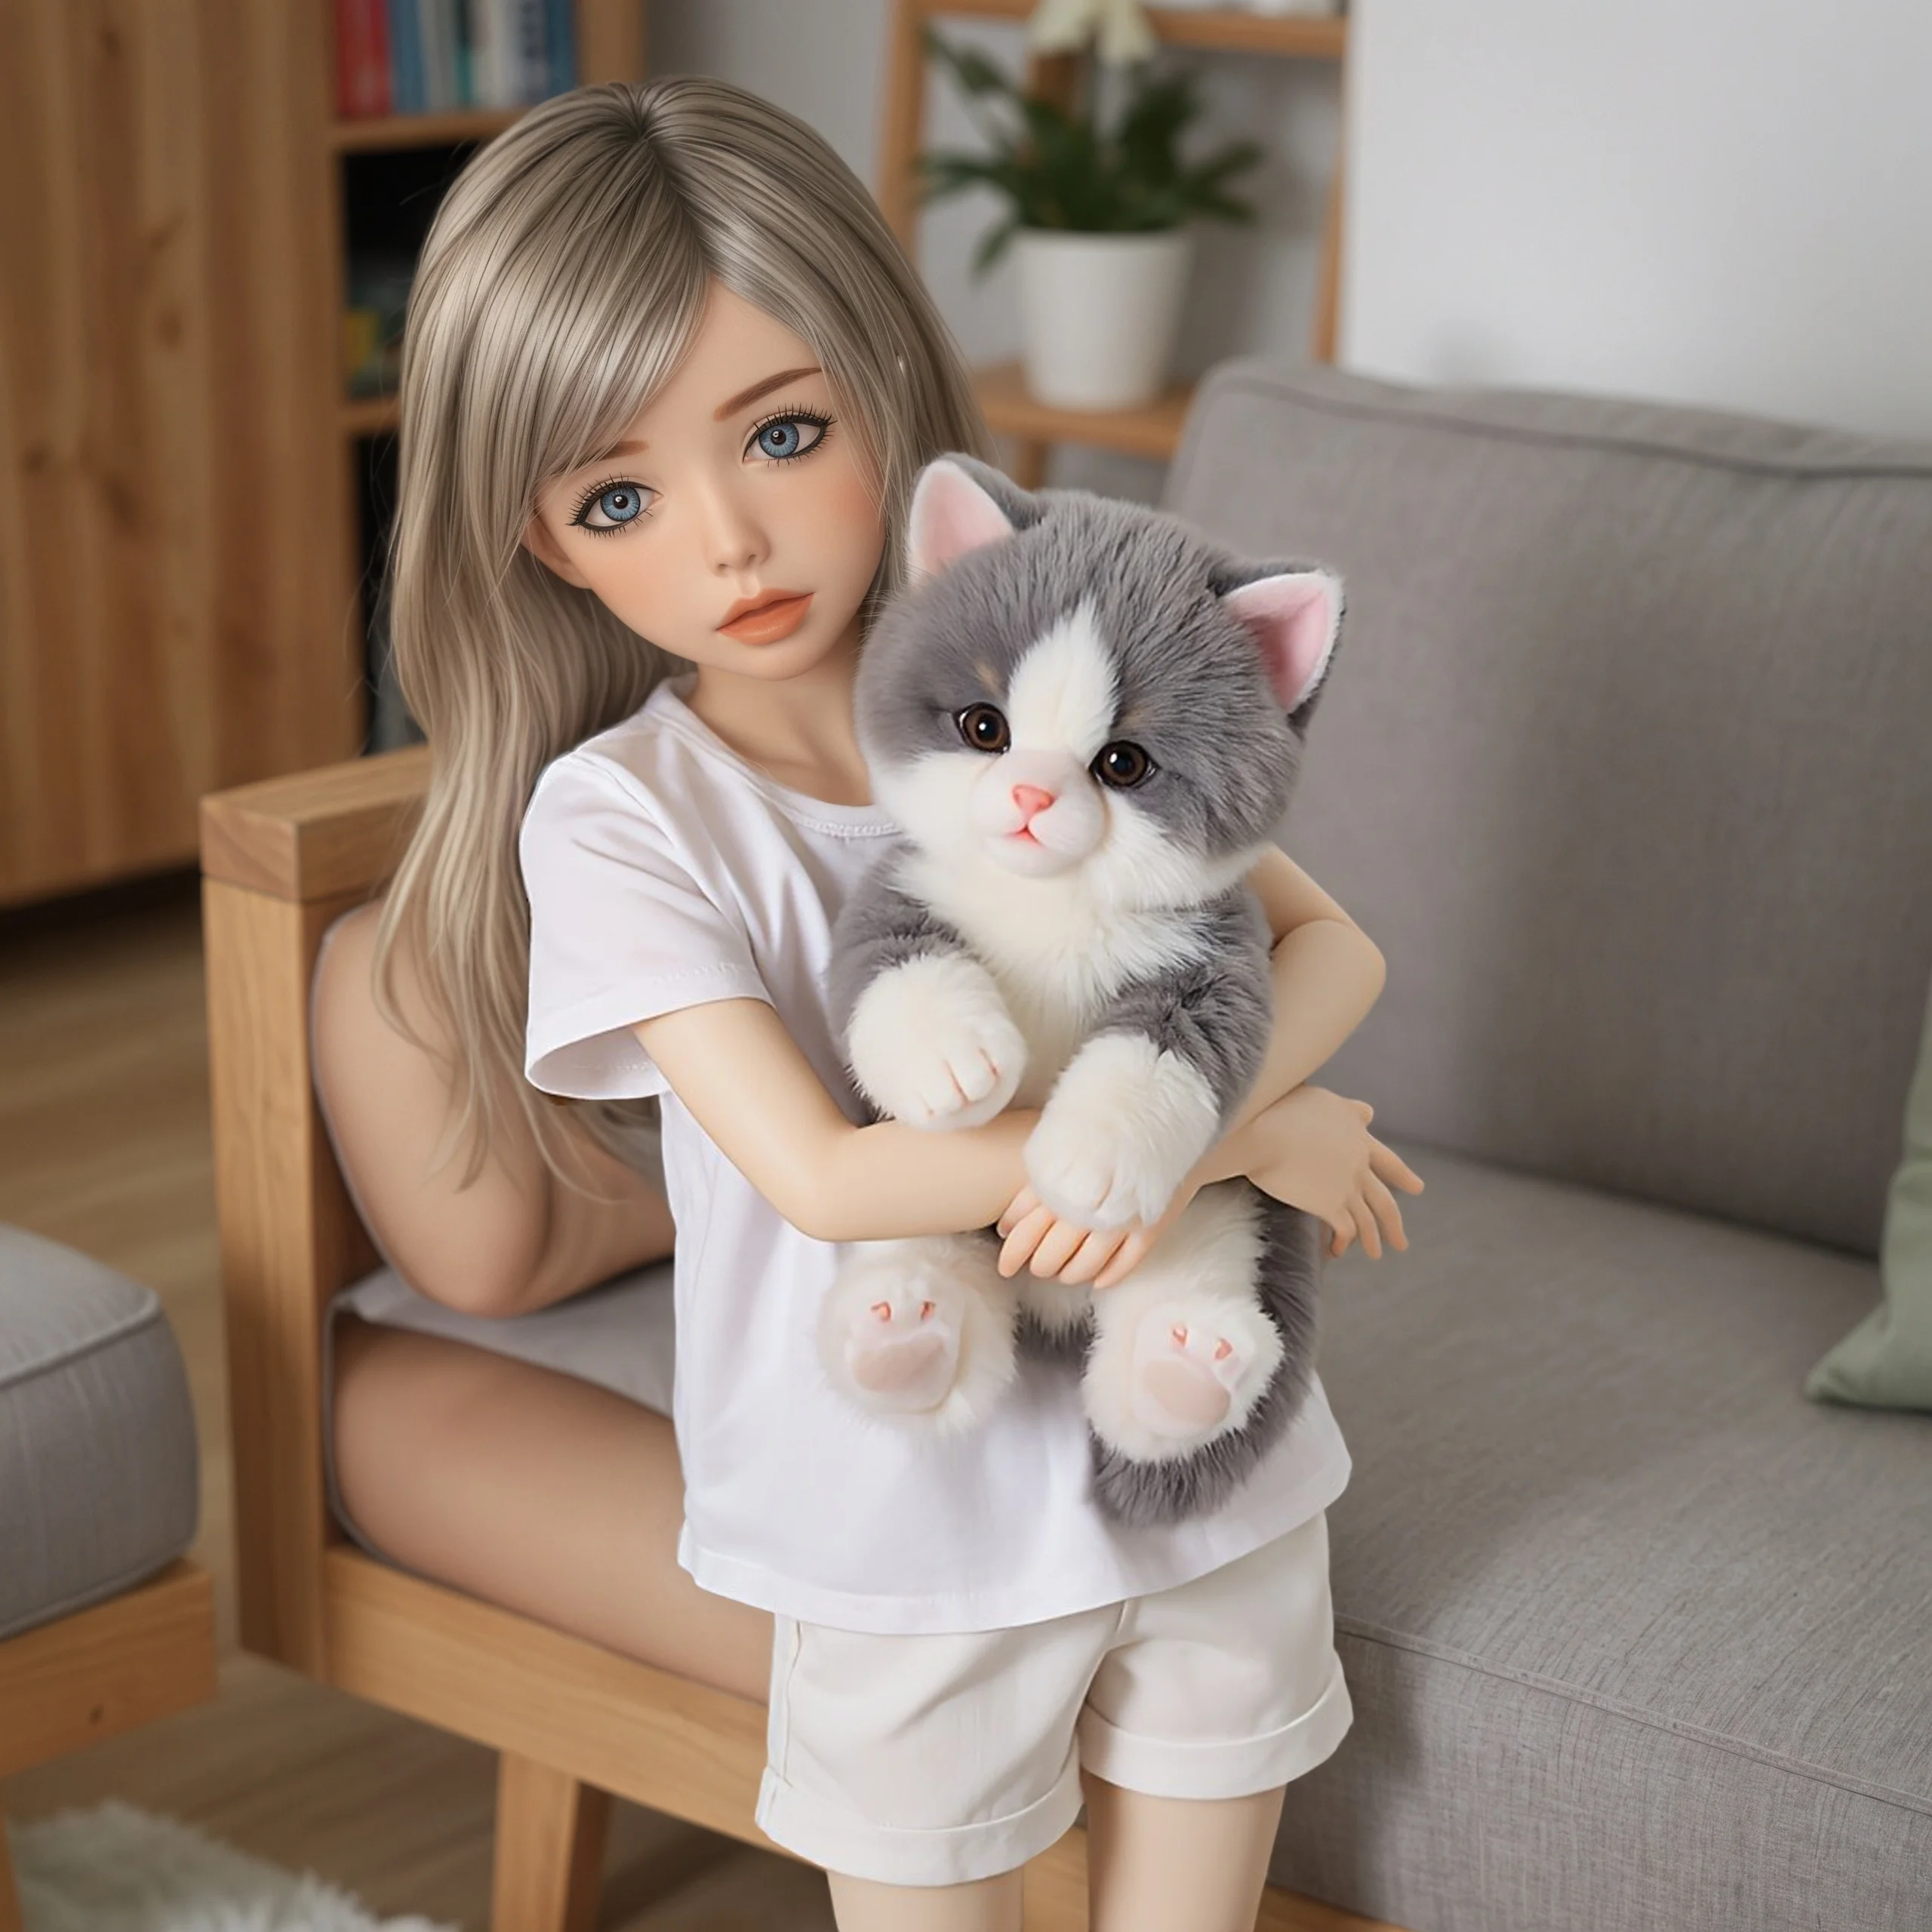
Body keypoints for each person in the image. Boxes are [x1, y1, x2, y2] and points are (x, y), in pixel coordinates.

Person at [314, 76, 1422, 1932]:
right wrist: (1240, 1132)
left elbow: (1335, 948)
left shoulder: (1037, 668)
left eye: (781, 432)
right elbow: (825, 1175)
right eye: (618, 493)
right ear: (544, 540)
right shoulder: (623, 816)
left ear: (884, 389)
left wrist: (1212, 1111)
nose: (728, 544)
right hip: (899, 1520)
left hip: (1210, 1472)